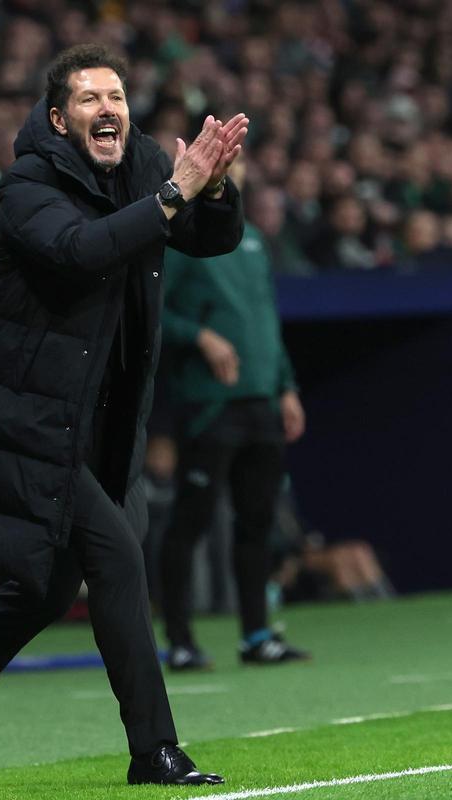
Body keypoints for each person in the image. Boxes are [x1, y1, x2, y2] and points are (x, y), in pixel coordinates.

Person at [0, 44, 247, 787]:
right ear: (57, 118)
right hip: (34, 423)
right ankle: (154, 750)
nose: (108, 109)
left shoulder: (140, 165)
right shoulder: (27, 184)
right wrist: (177, 192)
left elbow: (212, 238)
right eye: (89, 99)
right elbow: (81, 251)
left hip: (105, 427)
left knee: (43, 588)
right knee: (118, 558)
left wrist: (215, 187)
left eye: (117, 96)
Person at [159, 174, 312, 670]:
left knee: (259, 524)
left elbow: (266, 316)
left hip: (261, 401)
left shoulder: (251, 240)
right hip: (210, 404)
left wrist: (286, 384)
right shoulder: (180, 240)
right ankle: (181, 641)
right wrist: (200, 336)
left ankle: (257, 635)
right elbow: (153, 311)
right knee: (192, 521)